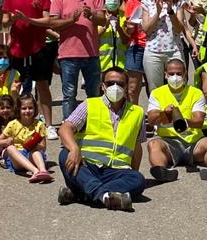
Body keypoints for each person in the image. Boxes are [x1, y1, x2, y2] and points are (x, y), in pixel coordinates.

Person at [57, 67, 146, 211]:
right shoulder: (90, 104)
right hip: (86, 167)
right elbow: (65, 128)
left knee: (138, 180)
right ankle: (104, 196)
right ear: (103, 86)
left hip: (115, 172)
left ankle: (83, 195)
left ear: (126, 87)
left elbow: (137, 147)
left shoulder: (137, 112)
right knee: (64, 155)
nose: (115, 87)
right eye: (110, 83)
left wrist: (133, 173)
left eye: (120, 84)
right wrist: (74, 149)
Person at [147, 58, 207, 181]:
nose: (175, 77)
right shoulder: (157, 93)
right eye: (171, 74)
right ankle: (161, 170)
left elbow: (199, 121)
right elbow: (151, 120)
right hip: (169, 142)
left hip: (193, 142)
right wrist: (164, 114)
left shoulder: (196, 93)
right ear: (165, 75)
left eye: (179, 74)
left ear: (185, 74)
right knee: (153, 144)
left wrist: (183, 121)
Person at [2, 0, 56, 135]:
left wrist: (27, 19)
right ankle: (14, 123)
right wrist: (10, 19)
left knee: (42, 85)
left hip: (38, 47)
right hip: (17, 48)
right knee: (15, 86)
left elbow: (47, 20)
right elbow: (4, 22)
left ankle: (48, 125)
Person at [49, 0, 107, 118]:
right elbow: (53, 23)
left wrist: (91, 16)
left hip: (91, 54)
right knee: (69, 96)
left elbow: (103, 20)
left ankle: (93, 127)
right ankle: (69, 130)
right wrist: (70, 21)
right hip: (68, 55)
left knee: (94, 95)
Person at [131, 0, 182, 94]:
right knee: (156, 90)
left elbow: (179, 29)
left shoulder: (178, 1)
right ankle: (158, 114)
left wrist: (170, 11)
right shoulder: (147, 2)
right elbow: (147, 29)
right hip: (153, 52)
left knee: (177, 87)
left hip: (174, 50)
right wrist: (158, 12)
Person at [0, 94, 52, 183]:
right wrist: (6, 141)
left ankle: (43, 171)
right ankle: (35, 171)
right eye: (24, 108)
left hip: (32, 156)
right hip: (18, 159)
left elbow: (43, 147)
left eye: (30, 108)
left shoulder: (39, 125)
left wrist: (35, 144)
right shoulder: (13, 124)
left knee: (35, 150)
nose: (27, 111)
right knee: (10, 148)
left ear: (35, 109)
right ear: (18, 109)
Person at [122, 0, 151, 100]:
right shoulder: (132, 3)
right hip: (136, 47)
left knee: (154, 87)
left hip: (153, 47)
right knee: (132, 88)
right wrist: (128, 27)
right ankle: (134, 116)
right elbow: (128, 29)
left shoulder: (156, 0)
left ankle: (155, 117)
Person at [97, 0, 130, 76]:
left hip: (121, 65)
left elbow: (126, 41)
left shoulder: (124, 17)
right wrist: (104, 28)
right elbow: (92, 38)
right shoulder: (99, 16)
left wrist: (119, 28)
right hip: (102, 64)